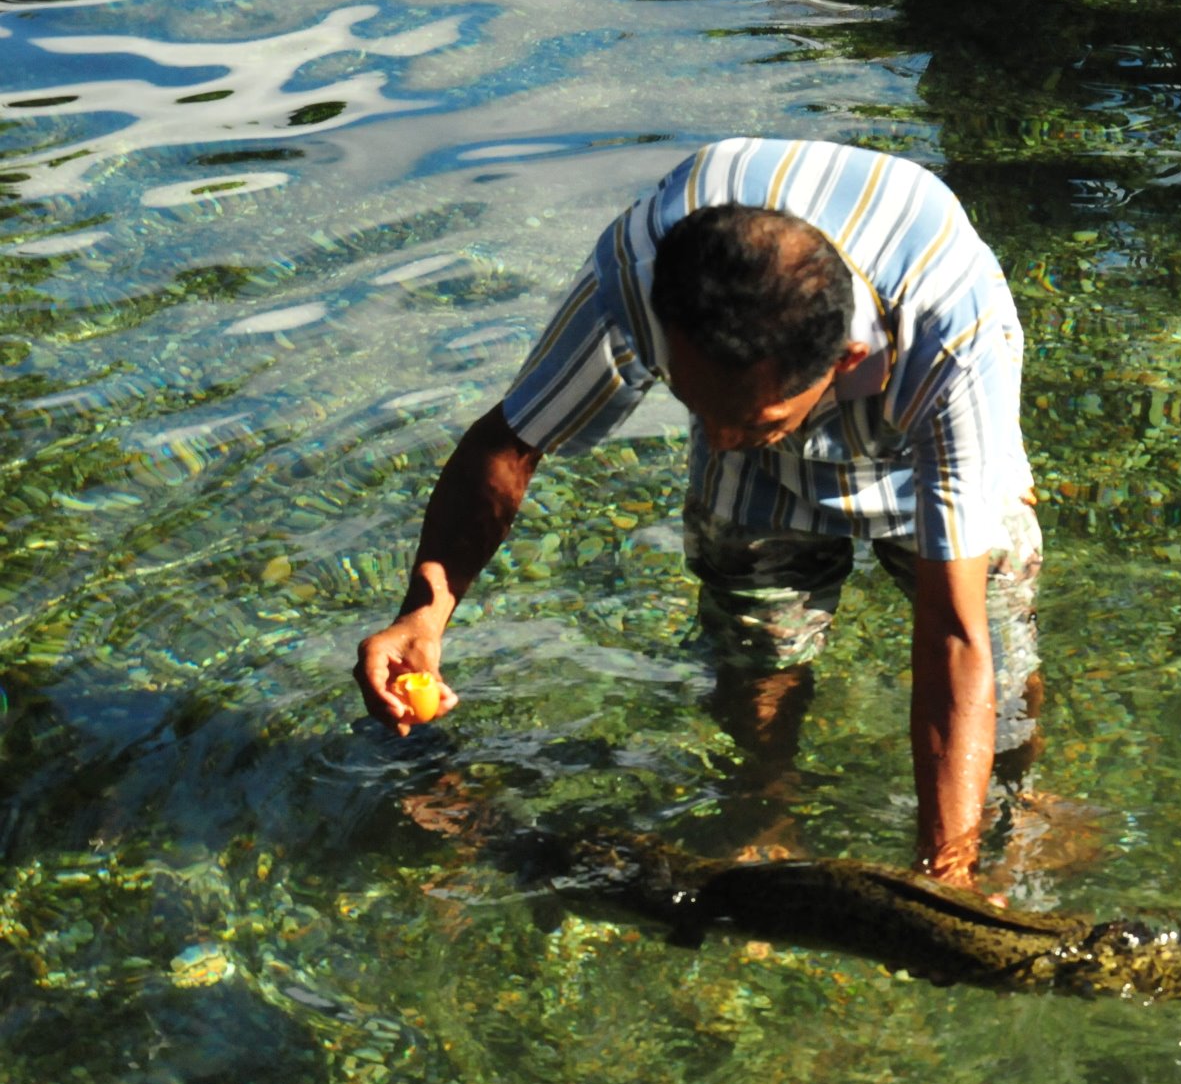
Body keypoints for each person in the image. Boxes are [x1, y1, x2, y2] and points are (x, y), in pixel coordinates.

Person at [353, 137, 1043, 890]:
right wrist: (426, 611)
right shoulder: (645, 275)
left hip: (919, 410)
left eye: (751, 419)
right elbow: (511, 441)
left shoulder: (953, 339)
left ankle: (1015, 810)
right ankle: (766, 811)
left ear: (845, 362)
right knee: (755, 641)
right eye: (694, 404)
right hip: (762, 408)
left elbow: (954, 636)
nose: (714, 440)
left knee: (999, 654)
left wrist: (943, 881)